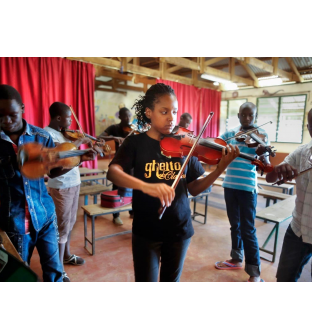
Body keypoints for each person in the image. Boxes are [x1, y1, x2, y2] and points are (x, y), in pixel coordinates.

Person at [107, 83, 239, 282]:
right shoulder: (135, 143)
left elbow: (194, 188)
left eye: (174, 112)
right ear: (149, 112)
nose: (171, 117)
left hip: (180, 229)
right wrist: (146, 186)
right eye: (164, 111)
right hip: (146, 230)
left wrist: (220, 169)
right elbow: (113, 172)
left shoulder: (186, 144)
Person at [0, 85, 96, 282]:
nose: (6, 120)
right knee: (21, 276)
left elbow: (52, 172)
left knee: (55, 273)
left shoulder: (41, 137)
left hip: (45, 217)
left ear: (23, 108)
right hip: (15, 223)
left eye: (12, 114)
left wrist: (80, 158)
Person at [266, 102, 312, 282]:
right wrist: (278, 171)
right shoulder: (302, 152)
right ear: (308, 128)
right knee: (284, 278)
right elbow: (271, 178)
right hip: (298, 230)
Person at [214, 102, 271, 282]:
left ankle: (254, 272)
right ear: (238, 116)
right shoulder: (231, 134)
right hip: (229, 184)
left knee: (248, 228)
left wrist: (263, 152)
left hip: (247, 187)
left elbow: (266, 162)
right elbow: (216, 144)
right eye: (243, 115)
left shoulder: (262, 136)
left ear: (255, 116)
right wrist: (225, 146)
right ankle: (236, 258)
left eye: (250, 116)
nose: (247, 119)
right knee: (234, 225)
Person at [44, 101, 96, 281]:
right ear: (59, 118)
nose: (71, 123)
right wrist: (80, 145)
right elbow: (57, 164)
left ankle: (66, 256)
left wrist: (90, 148)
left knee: (70, 222)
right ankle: (58, 269)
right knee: (61, 226)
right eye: (68, 118)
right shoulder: (48, 135)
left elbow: (75, 159)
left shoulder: (65, 134)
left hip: (74, 183)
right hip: (61, 186)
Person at [99, 107, 134, 225]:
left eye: (129, 116)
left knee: (133, 186)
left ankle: (132, 211)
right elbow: (100, 136)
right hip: (119, 162)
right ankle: (116, 215)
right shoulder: (114, 128)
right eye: (125, 116)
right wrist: (113, 137)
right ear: (119, 117)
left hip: (132, 162)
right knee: (116, 187)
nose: (128, 118)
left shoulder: (133, 129)